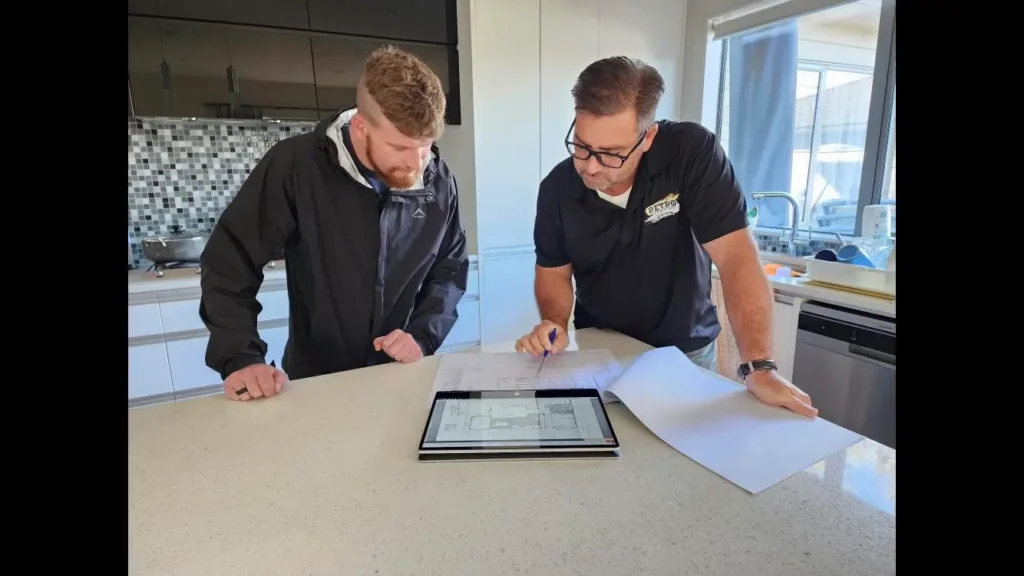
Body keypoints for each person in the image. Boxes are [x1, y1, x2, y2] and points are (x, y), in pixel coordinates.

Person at [514, 56, 817, 418]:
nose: (590, 166)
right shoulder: (557, 189)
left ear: (648, 137)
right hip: (603, 348)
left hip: (685, 350)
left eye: (610, 154)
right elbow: (554, 274)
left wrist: (759, 367)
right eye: (581, 146)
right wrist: (555, 323)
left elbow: (736, 257)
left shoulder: (690, 154)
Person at [199, 45, 469, 402]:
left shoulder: (438, 181)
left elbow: (450, 269)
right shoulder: (296, 166)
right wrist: (240, 356)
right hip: (315, 383)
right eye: (400, 148)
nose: (417, 164)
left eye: (425, 146)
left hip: (399, 376)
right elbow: (230, 260)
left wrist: (423, 334)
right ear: (361, 127)